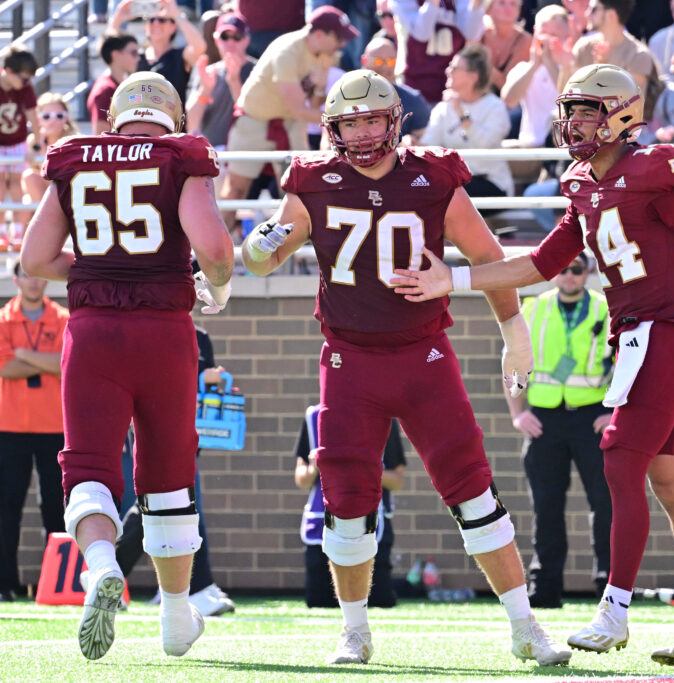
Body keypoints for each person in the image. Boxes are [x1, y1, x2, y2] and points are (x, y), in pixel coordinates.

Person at [392, 63, 674, 667]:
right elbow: (539, 263)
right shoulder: (582, 182)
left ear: (620, 114)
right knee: (671, 483)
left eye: (587, 111)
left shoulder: (655, 168)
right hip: (639, 338)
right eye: (570, 111)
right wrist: (451, 279)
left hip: (668, 330)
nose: (574, 124)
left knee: (618, 459)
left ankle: (614, 611)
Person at [240, 69, 569, 667]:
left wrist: (513, 329)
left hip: (425, 355)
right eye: (351, 122)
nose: (363, 132)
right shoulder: (311, 180)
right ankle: (355, 630)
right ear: (332, 128)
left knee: (472, 487)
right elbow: (269, 255)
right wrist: (257, 248)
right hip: (349, 360)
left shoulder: (433, 174)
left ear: (395, 120)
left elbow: (486, 254)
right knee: (345, 496)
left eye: (372, 119)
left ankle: (525, 625)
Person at [18, 71, 234, 660]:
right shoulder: (181, 155)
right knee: (166, 475)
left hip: (90, 332)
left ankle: (100, 566)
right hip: (163, 331)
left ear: (113, 119)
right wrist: (213, 282)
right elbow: (214, 250)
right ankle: (174, 617)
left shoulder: (75, 157)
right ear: (176, 118)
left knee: (87, 465)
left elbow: (35, 258)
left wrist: (96, 271)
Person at [507, 252, 613, 609]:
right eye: (563, 268)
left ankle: (608, 586)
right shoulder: (533, 309)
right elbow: (513, 360)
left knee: (605, 504)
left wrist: (615, 413)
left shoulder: (606, 308)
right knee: (546, 506)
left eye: (577, 269)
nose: (569, 275)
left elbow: (630, 363)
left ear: (589, 272)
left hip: (592, 419)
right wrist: (518, 413)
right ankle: (546, 586)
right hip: (545, 419)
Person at [113, 324, 237, 618]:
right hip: (152, 427)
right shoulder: (146, 329)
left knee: (159, 508)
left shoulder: (201, 337)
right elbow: (141, 381)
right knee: (177, 508)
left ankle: (109, 574)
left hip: (187, 429)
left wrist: (212, 383)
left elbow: (199, 389)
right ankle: (196, 587)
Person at [221, 6, 358, 229]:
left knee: (300, 190)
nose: (342, 44)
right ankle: (217, 255)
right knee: (235, 190)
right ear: (320, 34)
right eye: (339, 37)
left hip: (290, 123)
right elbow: (299, 109)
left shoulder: (325, 54)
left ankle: (298, 256)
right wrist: (342, 122)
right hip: (254, 120)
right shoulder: (288, 51)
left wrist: (321, 86)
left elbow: (309, 106)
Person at [0, 259, 68, 603]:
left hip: (54, 424)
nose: (33, 282)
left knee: (55, 506)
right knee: (6, 505)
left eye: (38, 276)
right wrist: (44, 360)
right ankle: (5, 583)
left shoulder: (63, 319)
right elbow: (7, 368)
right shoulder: (2, 319)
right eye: (26, 275)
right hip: (9, 426)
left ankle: (53, 583)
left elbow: (66, 363)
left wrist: (25, 353)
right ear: (15, 280)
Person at [295, 409, 407, 609]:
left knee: (377, 602)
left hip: (371, 524)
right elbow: (301, 479)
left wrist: (358, 466)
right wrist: (317, 466)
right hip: (323, 524)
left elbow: (397, 481)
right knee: (320, 602)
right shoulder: (314, 416)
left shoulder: (384, 418)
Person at [421, 45, 513, 209]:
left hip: (490, 184)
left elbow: (485, 144)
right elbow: (429, 145)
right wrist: (411, 142)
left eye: (455, 68)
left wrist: (462, 114)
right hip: (456, 183)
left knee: (447, 194)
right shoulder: (443, 108)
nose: (448, 71)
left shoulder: (495, 106)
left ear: (473, 76)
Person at [107, 0, 207, 104]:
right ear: (145, 27)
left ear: (173, 27)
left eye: (162, 20)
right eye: (151, 20)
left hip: (171, 118)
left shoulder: (179, 56)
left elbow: (200, 47)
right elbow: (108, 50)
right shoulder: (135, 56)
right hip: (139, 116)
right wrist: (119, 17)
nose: (156, 23)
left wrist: (177, 14)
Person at [502, 4, 574, 148]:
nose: (546, 39)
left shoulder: (573, 68)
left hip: (563, 147)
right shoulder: (523, 68)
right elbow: (509, 101)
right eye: (543, 32)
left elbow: (569, 100)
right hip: (530, 146)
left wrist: (549, 63)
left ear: (567, 36)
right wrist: (535, 65)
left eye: (553, 35)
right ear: (535, 32)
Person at [185, 12, 257, 151]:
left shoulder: (258, 70)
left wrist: (234, 82)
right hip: (213, 155)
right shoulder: (206, 71)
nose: (230, 42)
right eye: (225, 37)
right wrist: (205, 90)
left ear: (247, 39)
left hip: (247, 153)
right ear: (216, 40)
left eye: (237, 37)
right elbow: (191, 124)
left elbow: (253, 119)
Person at [392, 0, 488, 104]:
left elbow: (472, 34)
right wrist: (433, 3)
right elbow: (422, 33)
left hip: (450, 87)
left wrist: (476, 5)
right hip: (413, 87)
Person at [0, 45, 39, 252]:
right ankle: (1, 234)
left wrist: (37, 143)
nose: (26, 83)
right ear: (8, 71)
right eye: (23, 78)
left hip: (18, 142)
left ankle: (17, 233)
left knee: (16, 184)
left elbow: (33, 114)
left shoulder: (24, 88)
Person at [571, 0, 655, 94]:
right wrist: (565, 66)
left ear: (611, 15)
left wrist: (603, 66)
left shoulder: (639, 55)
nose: (587, 14)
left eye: (593, 9)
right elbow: (566, 97)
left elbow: (630, 104)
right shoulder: (583, 47)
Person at [360, 36, 431, 143]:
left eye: (390, 61)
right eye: (378, 61)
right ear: (364, 61)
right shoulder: (347, 97)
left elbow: (426, 144)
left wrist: (411, 142)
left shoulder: (413, 102)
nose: (385, 67)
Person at [21, 93, 80, 205]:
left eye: (59, 116)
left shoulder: (75, 140)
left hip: (67, 194)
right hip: (41, 196)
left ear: (66, 118)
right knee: (30, 177)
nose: (53, 121)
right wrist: (40, 142)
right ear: (38, 119)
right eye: (46, 116)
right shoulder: (33, 141)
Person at [87, 32, 140, 134]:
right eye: (134, 53)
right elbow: (101, 135)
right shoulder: (105, 90)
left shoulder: (121, 84)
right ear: (116, 55)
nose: (138, 58)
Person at [482, 0, 532, 93]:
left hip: (510, 103)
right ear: (489, 9)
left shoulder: (525, 41)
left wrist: (480, 59)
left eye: (513, 4)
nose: (508, 8)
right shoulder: (479, 35)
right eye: (502, 3)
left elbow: (506, 85)